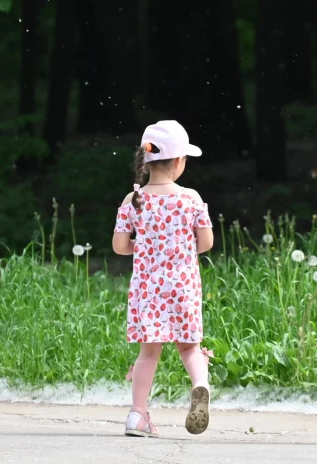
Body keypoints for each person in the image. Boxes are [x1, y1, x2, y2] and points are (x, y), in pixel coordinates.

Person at [113, 120, 214, 438]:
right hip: (183, 287)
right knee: (190, 347)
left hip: (148, 291)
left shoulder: (133, 200)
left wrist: (143, 246)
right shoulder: (190, 198)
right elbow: (206, 242)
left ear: (145, 161)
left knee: (148, 354)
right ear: (179, 161)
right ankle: (200, 384)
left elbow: (119, 247)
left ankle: (137, 415)